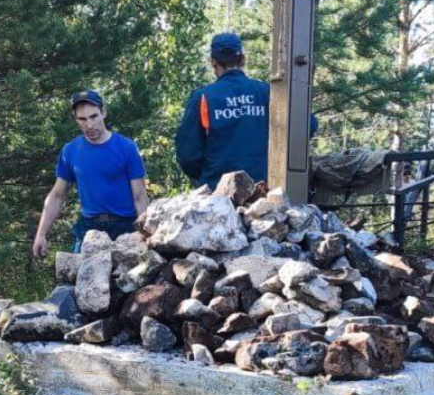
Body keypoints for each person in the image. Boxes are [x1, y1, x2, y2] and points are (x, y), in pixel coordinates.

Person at [175, 32, 318, 188]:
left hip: (216, 196)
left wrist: (209, 174)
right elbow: (308, 125)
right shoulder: (268, 93)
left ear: (213, 62)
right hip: (263, 194)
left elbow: (188, 156)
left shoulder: (203, 97)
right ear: (243, 59)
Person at [32, 90, 150, 257]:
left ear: (103, 113)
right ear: (75, 119)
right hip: (90, 228)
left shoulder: (127, 148)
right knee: (75, 281)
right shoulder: (70, 151)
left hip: (126, 227)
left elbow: (140, 196)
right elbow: (57, 195)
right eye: (82, 119)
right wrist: (41, 234)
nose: (89, 124)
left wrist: (147, 235)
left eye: (94, 116)